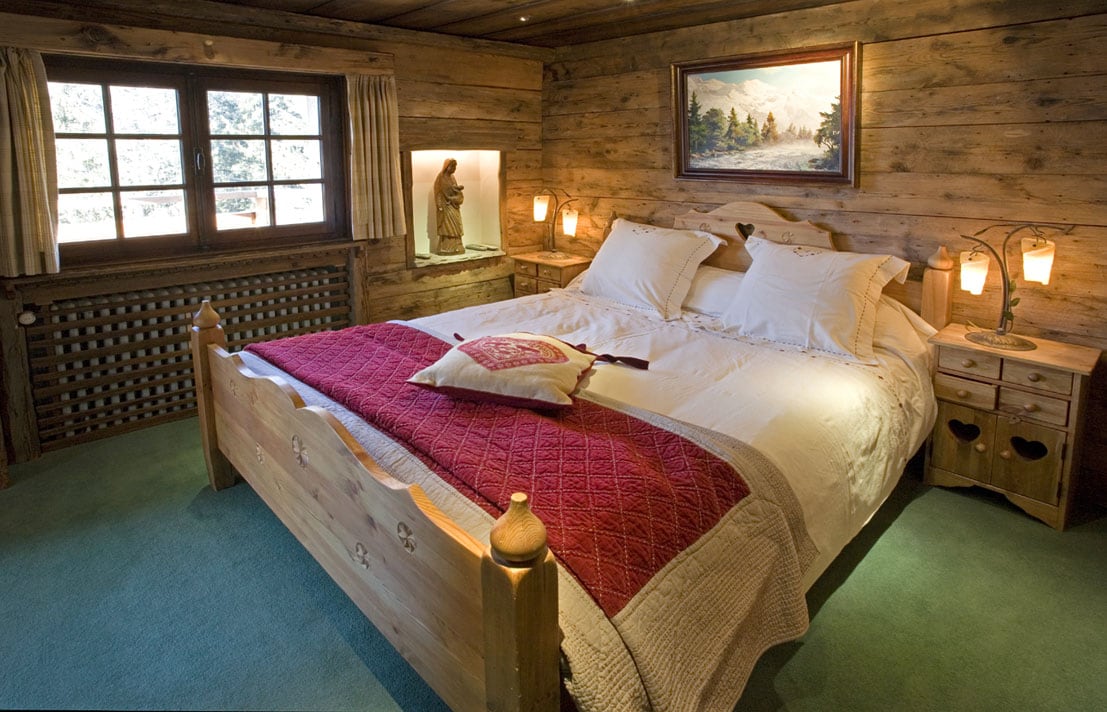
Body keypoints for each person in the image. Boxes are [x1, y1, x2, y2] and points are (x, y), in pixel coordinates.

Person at [433, 158, 464, 254]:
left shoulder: (453, 177)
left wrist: (457, 190)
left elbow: (454, 189)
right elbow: (438, 192)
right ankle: (446, 247)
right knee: (447, 226)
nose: (454, 169)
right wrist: (439, 205)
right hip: (445, 206)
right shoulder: (440, 177)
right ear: (447, 167)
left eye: (455, 167)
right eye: (453, 166)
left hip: (453, 205)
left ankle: (457, 246)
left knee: (457, 225)